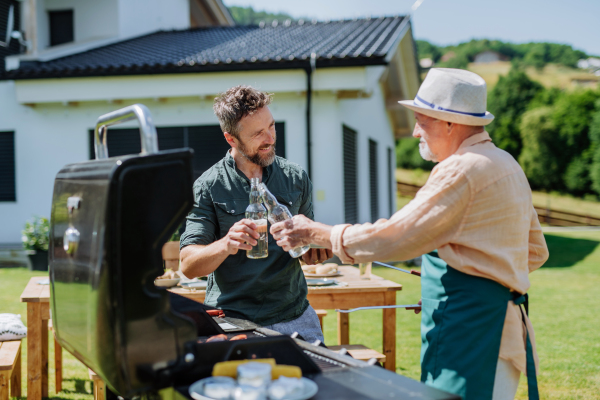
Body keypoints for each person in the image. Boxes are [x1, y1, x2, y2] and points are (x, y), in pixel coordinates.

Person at [270, 68, 548, 400]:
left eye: (422, 120)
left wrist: (317, 232)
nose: (415, 132)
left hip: (473, 332)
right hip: (498, 326)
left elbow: (394, 236)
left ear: (450, 122)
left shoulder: (462, 168)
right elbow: (534, 251)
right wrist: (478, 279)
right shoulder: (505, 163)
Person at [179, 85, 332, 343]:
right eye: (258, 133)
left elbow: (304, 251)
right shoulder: (209, 185)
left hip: (294, 314)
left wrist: (315, 251)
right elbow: (188, 266)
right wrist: (227, 244)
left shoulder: (295, 178)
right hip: (233, 320)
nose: (270, 138)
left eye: (271, 126)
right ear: (231, 139)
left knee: (318, 379)